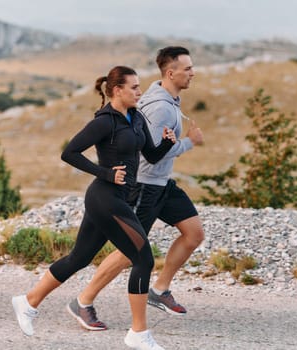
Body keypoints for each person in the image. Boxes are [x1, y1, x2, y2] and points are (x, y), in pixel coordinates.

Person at [12, 65, 176, 350]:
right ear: (117, 90)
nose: (140, 91)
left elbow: (149, 153)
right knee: (143, 260)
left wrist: (166, 143)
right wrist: (106, 173)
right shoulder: (105, 122)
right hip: (104, 197)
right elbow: (69, 153)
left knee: (79, 258)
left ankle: (27, 302)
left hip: (120, 199)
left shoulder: (135, 117)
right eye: (134, 87)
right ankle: (138, 333)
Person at [68, 46, 205, 330]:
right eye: (188, 68)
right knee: (133, 250)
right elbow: (151, 152)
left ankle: (159, 289)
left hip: (162, 183)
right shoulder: (160, 107)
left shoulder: (169, 99)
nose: (193, 72)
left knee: (193, 233)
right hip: (144, 185)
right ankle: (83, 301)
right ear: (171, 72)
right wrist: (190, 142)